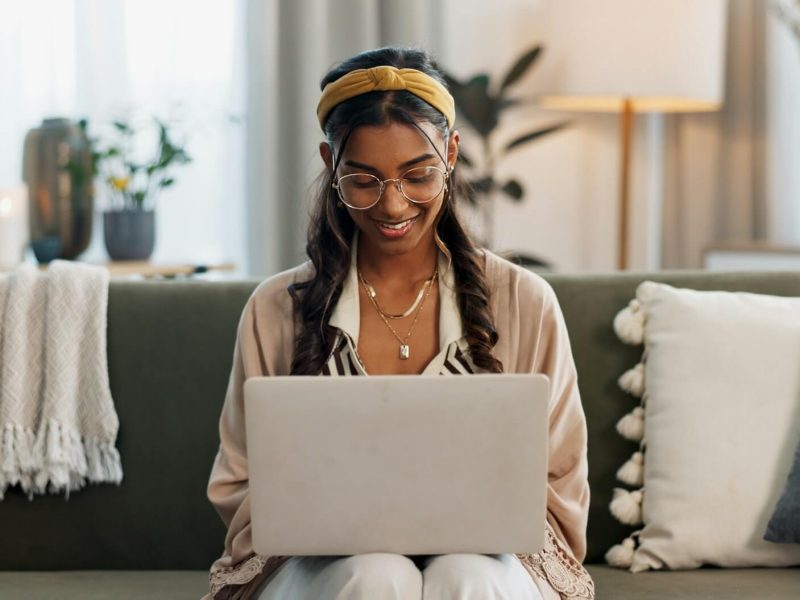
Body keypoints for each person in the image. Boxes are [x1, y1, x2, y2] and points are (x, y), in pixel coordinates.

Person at [203, 46, 594, 600]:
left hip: (490, 565)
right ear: (329, 163)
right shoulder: (275, 309)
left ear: (452, 153)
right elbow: (240, 481)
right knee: (375, 574)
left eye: (418, 175)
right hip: (327, 568)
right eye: (364, 180)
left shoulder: (526, 302)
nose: (392, 206)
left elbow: (560, 484)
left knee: (469, 577)